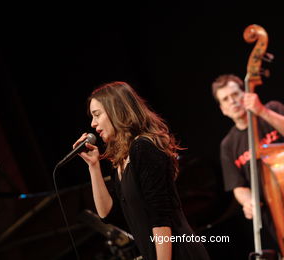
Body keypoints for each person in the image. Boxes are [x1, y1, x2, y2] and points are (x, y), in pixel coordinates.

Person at [74, 81, 210, 260]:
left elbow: (160, 217)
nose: (93, 123)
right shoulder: (122, 159)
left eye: (97, 114)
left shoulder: (143, 148)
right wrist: (93, 167)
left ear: (117, 111)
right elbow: (106, 213)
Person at [211, 74, 284, 256]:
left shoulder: (272, 109)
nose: (233, 102)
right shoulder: (228, 145)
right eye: (226, 99)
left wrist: (262, 111)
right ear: (223, 109)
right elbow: (238, 186)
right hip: (274, 217)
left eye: (236, 94)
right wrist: (248, 201)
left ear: (246, 93)